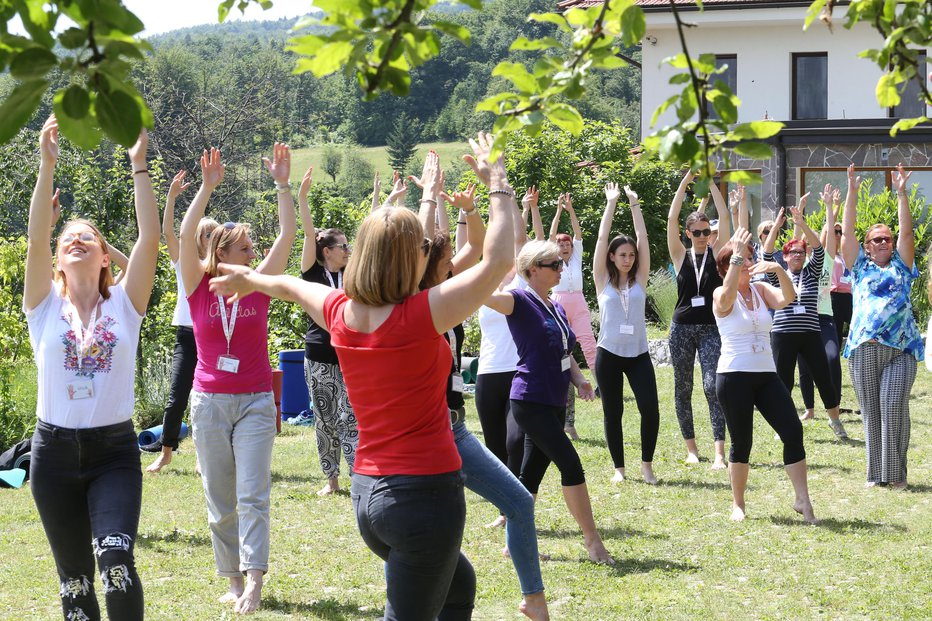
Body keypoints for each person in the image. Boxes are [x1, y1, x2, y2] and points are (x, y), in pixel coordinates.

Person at [209, 132, 516, 620]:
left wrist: (248, 279)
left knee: (459, 585)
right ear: (409, 256)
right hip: (422, 497)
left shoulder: (339, 311)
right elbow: (499, 259)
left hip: (369, 496)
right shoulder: (421, 315)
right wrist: (498, 180)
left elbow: (288, 285)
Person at [25, 115, 159, 620]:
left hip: (113, 454)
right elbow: (36, 237)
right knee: (75, 583)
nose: (75, 239)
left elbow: (148, 240)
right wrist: (46, 165)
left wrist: (139, 166)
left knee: (116, 560)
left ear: (106, 257)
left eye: (88, 237)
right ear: (57, 261)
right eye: (67, 239)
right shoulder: (42, 307)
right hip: (52, 456)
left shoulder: (126, 304)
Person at [419, 177, 549, 620]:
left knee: (518, 502)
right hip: (421, 433)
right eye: (445, 259)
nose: (456, 263)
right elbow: (484, 255)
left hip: (452, 425)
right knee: (429, 534)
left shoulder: (449, 290)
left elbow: (482, 251)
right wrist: (429, 199)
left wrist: (470, 210)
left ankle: (533, 599)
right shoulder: (417, 302)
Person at [178, 143, 296, 614]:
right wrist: (206, 189)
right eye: (247, 248)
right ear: (222, 252)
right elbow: (186, 237)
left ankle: (254, 580)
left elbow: (287, 234)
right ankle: (230, 576)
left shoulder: (259, 283)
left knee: (252, 493)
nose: (257, 252)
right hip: (208, 401)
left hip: (253, 401)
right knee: (220, 496)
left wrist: (282, 186)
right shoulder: (197, 285)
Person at [485, 240, 614, 565]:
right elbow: (480, 294)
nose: (561, 269)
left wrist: (579, 379)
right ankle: (592, 541)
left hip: (555, 401)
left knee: (530, 478)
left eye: (562, 264)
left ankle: (514, 544)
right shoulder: (517, 300)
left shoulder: (554, 305)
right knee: (570, 464)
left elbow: (564, 352)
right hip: (530, 401)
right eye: (554, 265)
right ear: (532, 271)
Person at [712, 228, 818, 524]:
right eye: (740, 260)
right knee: (742, 442)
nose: (747, 263)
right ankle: (738, 503)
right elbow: (727, 299)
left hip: (766, 374)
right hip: (734, 375)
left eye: (748, 259)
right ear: (726, 266)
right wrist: (735, 258)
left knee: (793, 431)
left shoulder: (759, 290)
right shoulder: (721, 292)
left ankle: (802, 500)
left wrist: (775, 268)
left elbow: (788, 297)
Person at [841, 163, 923, 489]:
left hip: (901, 350)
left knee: (893, 405)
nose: (884, 242)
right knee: (872, 416)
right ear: (867, 246)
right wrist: (852, 192)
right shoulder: (859, 267)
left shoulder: (902, 267)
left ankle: (897, 476)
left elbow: (907, 233)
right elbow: (846, 233)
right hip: (864, 350)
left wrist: (902, 193)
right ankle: (877, 476)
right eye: (876, 239)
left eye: (886, 238)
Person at [145, 170, 219, 472]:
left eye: (215, 234)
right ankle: (166, 451)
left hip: (213, 338)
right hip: (187, 336)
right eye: (206, 233)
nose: (211, 237)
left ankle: (205, 455)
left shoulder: (221, 266)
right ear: (197, 238)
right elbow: (168, 234)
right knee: (177, 396)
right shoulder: (183, 262)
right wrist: (171, 198)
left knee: (211, 399)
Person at [760, 196, 846, 437]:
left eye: (801, 252)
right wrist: (777, 226)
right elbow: (766, 256)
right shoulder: (778, 274)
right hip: (783, 334)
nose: (798, 255)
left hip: (810, 333)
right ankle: (782, 425)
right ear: (785, 257)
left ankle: (835, 420)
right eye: (793, 252)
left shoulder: (812, 272)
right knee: (782, 381)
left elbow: (818, 249)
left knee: (823, 378)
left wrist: (803, 223)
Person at [296, 164, 358, 496]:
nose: (348, 251)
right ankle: (331, 479)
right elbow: (308, 234)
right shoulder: (313, 274)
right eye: (343, 246)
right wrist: (302, 198)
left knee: (352, 416)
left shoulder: (352, 275)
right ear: (327, 252)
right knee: (325, 417)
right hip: (319, 355)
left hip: (349, 354)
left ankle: (358, 474)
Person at [592, 183, 659, 484]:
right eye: (622, 254)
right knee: (613, 412)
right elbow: (602, 237)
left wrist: (634, 204)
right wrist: (611, 203)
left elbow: (643, 238)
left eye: (631, 255)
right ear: (612, 257)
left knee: (650, 409)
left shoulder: (639, 281)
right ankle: (619, 468)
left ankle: (646, 465)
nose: (628, 259)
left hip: (638, 354)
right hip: (608, 354)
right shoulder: (602, 281)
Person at [666, 171, 730, 468]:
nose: (703, 236)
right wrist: (685, 182)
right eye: (697, 232)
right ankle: (691, 448)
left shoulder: (718, 255)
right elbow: (671, 218)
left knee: (712, 385)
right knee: (683, 387)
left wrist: (713, 184)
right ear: (688, 234)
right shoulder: (680, 255)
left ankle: (719, 452)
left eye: (707, 231)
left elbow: (726, 218)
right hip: (681, 328)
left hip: (711, 329)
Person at [548, 192, 595, 440]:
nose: (565, 245)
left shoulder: (575, 257)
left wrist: (571, 210)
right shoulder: (552, 258)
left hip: (577, 300)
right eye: (561, 243)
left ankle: (600, 384)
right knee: (564, 347)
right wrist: (557, 212)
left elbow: (578, 233)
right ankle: (567, 384)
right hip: (558, 302)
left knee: (588, 342)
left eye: (566, 243)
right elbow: (549, 235)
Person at [798, 184, 845, 421]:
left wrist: (830, 207)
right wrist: (800, 212)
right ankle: (809, 409)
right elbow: (796, 240)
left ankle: (833, 405)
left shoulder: (826, 261)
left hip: (825, 317)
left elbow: (828, 238)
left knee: (832, 358)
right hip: (803, 319)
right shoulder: (798, 265)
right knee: (804, 367)